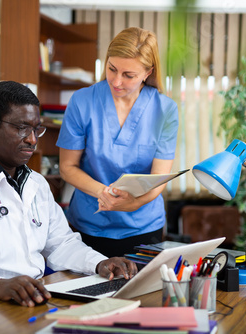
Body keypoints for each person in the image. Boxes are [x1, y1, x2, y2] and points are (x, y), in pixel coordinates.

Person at [0, 81, 137, 314]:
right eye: (22, 128)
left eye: (36, 129)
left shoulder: (37, 184)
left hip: (30, 302)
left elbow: (61, 244)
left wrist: (100, 262)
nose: (32, 139)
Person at [56, 27, 179, 257]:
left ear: (147, 72)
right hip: (88, 225)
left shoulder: (165, 110)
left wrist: (133, 204)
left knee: (139, 291)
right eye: (111, 69)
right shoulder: (83, 101)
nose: (116, 81)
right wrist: (104, 193)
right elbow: (67, 167)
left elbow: (159, 178)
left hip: (144, 227)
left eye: (128, 75)